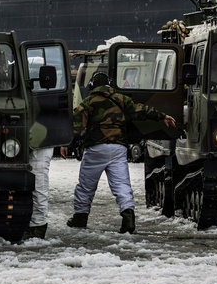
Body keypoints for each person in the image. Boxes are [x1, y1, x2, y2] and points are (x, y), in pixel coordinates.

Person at [62, 72, 175, 234]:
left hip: (95, 149)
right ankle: (128, 217)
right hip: (118, 148)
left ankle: (80, 217)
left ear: (93, 86)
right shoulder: (121, 99)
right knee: (122, 185)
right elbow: (141, 110)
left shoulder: (88, 102)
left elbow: (76, 126)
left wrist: (66, 143)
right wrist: (162, 116)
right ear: (110, 84)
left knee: (86, 186)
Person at [25, 146, 54, 239]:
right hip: (36, 144)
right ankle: (36, 224)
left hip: (40, 147)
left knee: (38, 186)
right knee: (37, 186)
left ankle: (38, 226)